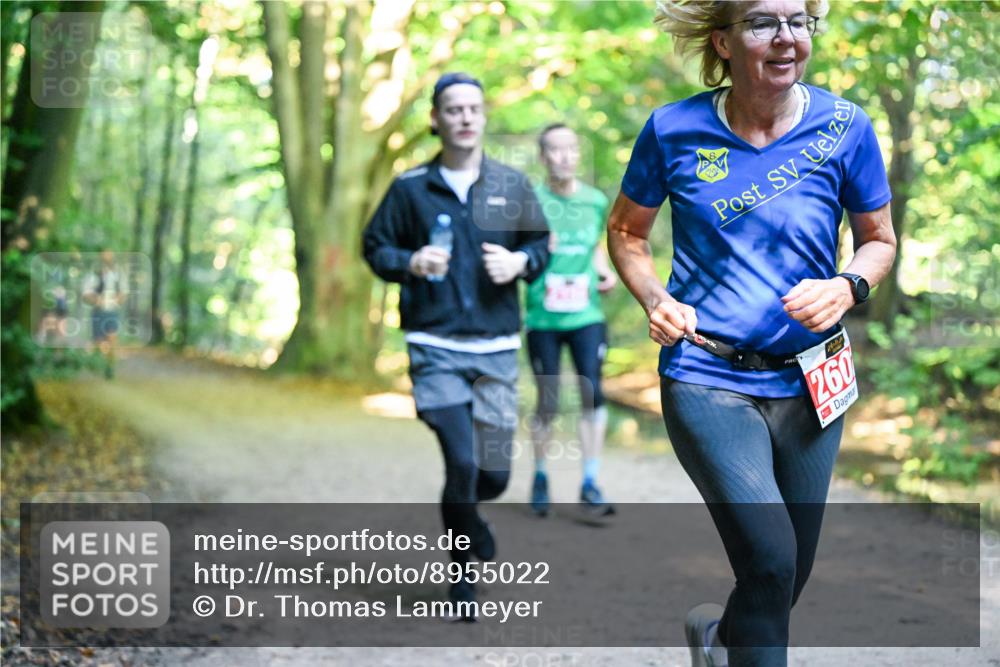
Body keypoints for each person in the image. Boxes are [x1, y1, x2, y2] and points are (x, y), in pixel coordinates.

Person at [607, 2, 896, 665]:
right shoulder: (673, 129)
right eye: (764, 22)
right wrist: (656, 296)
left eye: (799, 21)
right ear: (724, 42)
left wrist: (846, 285)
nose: (787, 37)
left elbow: (878, 241)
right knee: (769, 559)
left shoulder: (845, 128)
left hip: (811, 377)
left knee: (788, 571)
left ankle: (719, 641)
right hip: (709, 375)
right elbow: (627, 231)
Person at [362, 72, 549, 617]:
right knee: (462, 463)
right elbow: (375, 246)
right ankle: (463, 580)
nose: (465, 117)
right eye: (453, 109)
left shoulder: (511, 185)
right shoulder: (410, 188)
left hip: (494, 347)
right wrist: (409, 261)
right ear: (436, 120)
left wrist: (519, 262)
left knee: (492, 475)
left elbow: (539, 247)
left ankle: (472, 521)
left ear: (484, 117)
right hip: (433, 344)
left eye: (473, 108)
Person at [524, 124, 618, 518]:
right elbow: (515, 255)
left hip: (585, 315)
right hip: (542, 317)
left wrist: (605, 271)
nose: (564, 157)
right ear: (543, 158)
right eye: (555, 151)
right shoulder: (529, 202)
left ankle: (591, 481)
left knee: (592, 393)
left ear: (578, 154)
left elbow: (596, 245)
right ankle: (542, 474)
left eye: (571, 149)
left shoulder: (595, 201)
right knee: (547, 402)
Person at [82, 250, 126, 378]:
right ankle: (98, 362)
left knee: (112, 338)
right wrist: (97, 300)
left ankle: (109, 367)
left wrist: (116, 300)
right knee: (99, 341)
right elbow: (85, 294)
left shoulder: (118, 275)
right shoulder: (93, 275)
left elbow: (123, 294)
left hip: (112, 311)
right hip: (98, 311)